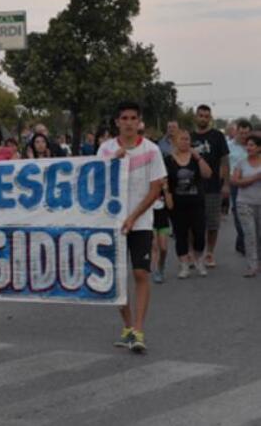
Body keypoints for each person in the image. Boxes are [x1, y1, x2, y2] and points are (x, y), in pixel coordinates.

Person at [98, 102, 166, 353]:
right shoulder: (105, 149)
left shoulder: (152, 150)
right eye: (124, 118)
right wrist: (112, 164)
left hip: (141, 222)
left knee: (140, 273)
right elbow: (95, 182)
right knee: (117, 278)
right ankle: (127, 327)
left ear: (139, 122)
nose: (128, 122)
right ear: (117, 122)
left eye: (133, 118)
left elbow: (155, 188)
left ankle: (139, 329)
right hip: (113, 223)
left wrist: (134, 216)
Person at [165, 130, 213, 279]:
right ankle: (184, 265)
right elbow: (164, 180)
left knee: (199, 233)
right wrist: (167, 196)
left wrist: (198, 158)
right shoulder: (168, 160)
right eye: (182, 139)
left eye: (187, 139)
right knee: (180, 235)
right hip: (178, 204)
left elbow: (207, 174)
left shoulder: (196, 157)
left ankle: (199, 260)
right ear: (175, 141)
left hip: (196, 203)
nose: (185, 142)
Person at [191, 105, 230, 269]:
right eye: (201, 115)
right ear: (196, 117)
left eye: (206, 116)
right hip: (191, 187)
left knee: (212, 224)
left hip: (213, 186)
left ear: (210, 118)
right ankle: (193, 254)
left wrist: (226, 184)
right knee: (192, 224)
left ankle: (209, 253)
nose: (203, 119)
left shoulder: (218, 136)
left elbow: (225, 161)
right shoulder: (189, 137)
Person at [231, 133, 261, 277]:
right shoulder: (241, 163)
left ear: (259, 148)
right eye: (247, 145)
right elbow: (236, 182)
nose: (248, 148)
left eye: (252, 145)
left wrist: (247, 180)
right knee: (250, 235)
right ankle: (252, 266)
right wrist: (255, 177)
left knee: (259, 235)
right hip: (244, 204)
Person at [229, 119, 253, 255]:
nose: (243, 135)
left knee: (251, 213)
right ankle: (243, 240)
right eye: (241, 132)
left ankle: (243, 241)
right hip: (235, 184)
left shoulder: (253, 146)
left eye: (246, 133)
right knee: (238, 213)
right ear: (236, 132)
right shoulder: (229, 146)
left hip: (252, 183)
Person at [150, 180, 173, 284]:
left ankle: (161, 265)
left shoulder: (166, 190)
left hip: (163, 221)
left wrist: (166, 190)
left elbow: (170, 206)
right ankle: (156, 271)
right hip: (151, 221)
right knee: (154, 247)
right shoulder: (149, 189)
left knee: (163, 248)